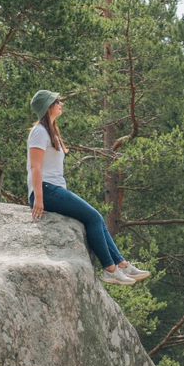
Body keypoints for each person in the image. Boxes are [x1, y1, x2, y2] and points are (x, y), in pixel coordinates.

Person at [26, 89, 151, 286]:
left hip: (55, 189)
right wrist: (39, 199)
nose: (61, 104)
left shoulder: (51, 131)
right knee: (93, 216)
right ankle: (110, 270)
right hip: (46, 189)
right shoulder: (39, 132)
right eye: (57, 101)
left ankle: (122, 264)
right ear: (49, 107)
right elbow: (36, 167)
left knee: (96, 218)